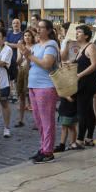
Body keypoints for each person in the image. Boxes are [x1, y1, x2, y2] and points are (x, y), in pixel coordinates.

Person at [24, 19, 60, 163]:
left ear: (49, 30)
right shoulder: (37, 45)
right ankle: (43, 147)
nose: (38, 30)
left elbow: (46, 63)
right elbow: (30, 64)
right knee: (38, 120)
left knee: (47, 120)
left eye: (41, 28)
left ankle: (48, 151)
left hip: (46, 86)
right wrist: (26, 55)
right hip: (33, 85)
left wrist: (30, 55)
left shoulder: (51, 44)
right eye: (37, 28)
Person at [72, 24, 96, 147]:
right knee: (88, 111)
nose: (77, 34)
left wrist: (80, 75)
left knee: (82, 111)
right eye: (76, 32)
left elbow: (94, 65)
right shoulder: (81, 48)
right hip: (83, 83)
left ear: (86, 35)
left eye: (79, 32)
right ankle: (89, 138)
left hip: (88, 83)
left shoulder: (91, 47)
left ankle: (80, 140)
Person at [0, 29, 14, 138]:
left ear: (4, 38)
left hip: (3, 81)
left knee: (4, 104)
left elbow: (1, 63)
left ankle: (6, 127)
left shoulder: (8, 49)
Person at [15, 29, 34, 128]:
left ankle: (36, 121)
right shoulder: (21, 47)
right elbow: (18, 61)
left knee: (32, 98)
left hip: (31, 72)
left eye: (29, 35)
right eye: (25, 35)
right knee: (21, 96)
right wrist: (21, 53)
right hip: (22, 71)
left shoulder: (35, 47)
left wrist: (27, 55)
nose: (27, 37)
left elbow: (32, 61)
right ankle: (21, 120)